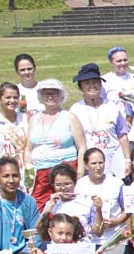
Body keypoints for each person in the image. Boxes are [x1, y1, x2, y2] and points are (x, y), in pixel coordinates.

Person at [25, 79, 87, 210]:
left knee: (66, 206)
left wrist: (80, 172)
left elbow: (82, 147)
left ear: (62, 95)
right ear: (40, 96)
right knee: (40, 207)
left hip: (64, 170)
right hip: (40, 172)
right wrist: (28, 173)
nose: (50, 96)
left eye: (54, 93)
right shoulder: (33, 119)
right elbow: (29, 149)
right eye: (46, 93)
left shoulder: (70, 117)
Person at [70, 63, 131, 178]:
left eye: (95, 82)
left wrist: (127, 160)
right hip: (89, 166)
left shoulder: (112, 107)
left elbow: (122, 135)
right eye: (87, 83)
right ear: (80, 87)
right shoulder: (75, 110)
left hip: (114, 163)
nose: (92, 86)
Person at [77, 148, 129, 254]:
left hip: (113, 236)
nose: (98, 167)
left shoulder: (116, 183)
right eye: (94, 163)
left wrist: (117, 221)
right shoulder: (79, 185)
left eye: (101, 163)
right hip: (89, 237)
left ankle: (123, 253)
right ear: (86, 165)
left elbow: (128, 210)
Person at [0, 83, 28, 178]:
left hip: (27, 170)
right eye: (8, 97)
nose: (12, 101)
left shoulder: (26, 118)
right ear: (0, 99)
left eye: (15, 97)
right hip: (7, 173)